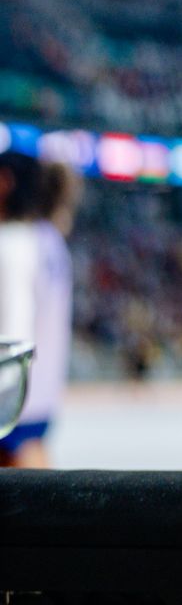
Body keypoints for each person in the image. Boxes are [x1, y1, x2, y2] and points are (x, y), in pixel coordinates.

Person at [0, 153, 77, 468]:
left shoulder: (10, 244)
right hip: (41, 397)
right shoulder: (49, 239)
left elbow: (11, 332)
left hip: (10, 406)